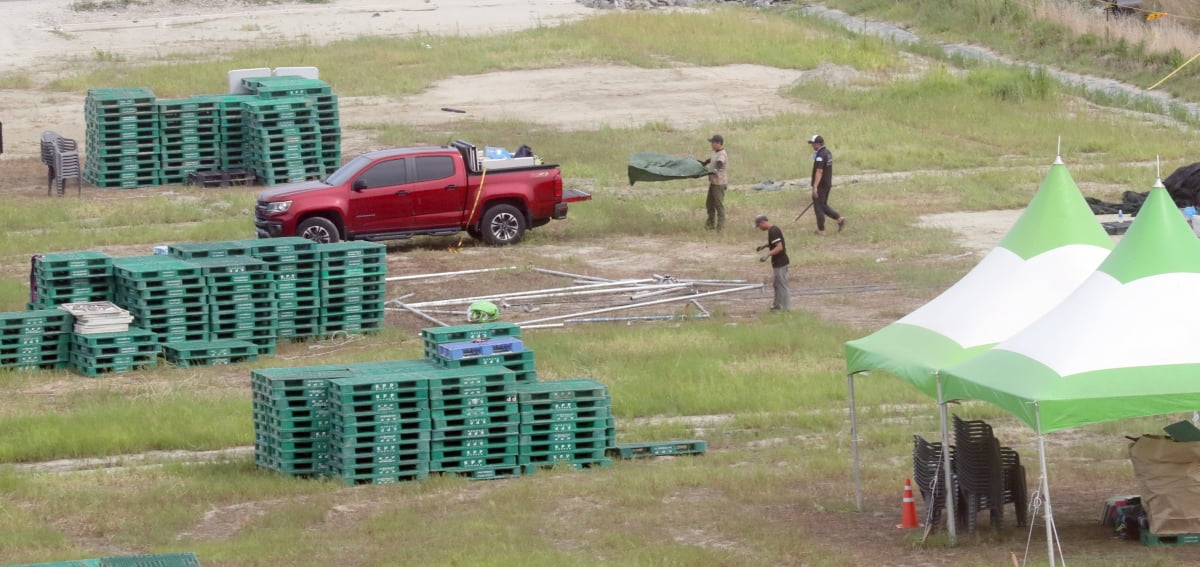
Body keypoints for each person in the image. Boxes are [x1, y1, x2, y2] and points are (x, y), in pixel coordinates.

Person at [808, 134, 845, 235]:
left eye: (813, 144)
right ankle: (839, 219)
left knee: (818, 207)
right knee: (823, 206)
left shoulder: (820, 156)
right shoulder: (828, 153)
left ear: (819, 144)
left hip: (820, 185)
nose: (812, 146)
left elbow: (819, 171)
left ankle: (821, 230)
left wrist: (815, 187)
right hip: (827, 183)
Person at [754, 214, 789, 311]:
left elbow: (779, 247)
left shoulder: (773, 231)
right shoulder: (772, 230)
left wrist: (767, 255)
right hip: (777, 262)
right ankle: (777, 306)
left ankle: (786, 308)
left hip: (781, 262)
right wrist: (764, 246)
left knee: (782, 285)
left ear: (763, 223)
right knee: (776, 285)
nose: (759, 228)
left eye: (759, 226)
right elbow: (774, 243)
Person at [700, 134, 728, 231]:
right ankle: (709, 226)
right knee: (709, 205)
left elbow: (720, 162)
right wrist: (703, 163)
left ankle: (720, 229)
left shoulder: (722, 154)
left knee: (719, 206)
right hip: (713, 183)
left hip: (719, 184)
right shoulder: (715, 152)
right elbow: (710, 160)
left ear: (718, 143)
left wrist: (716, 169)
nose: (711, 144)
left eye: (713, 142)